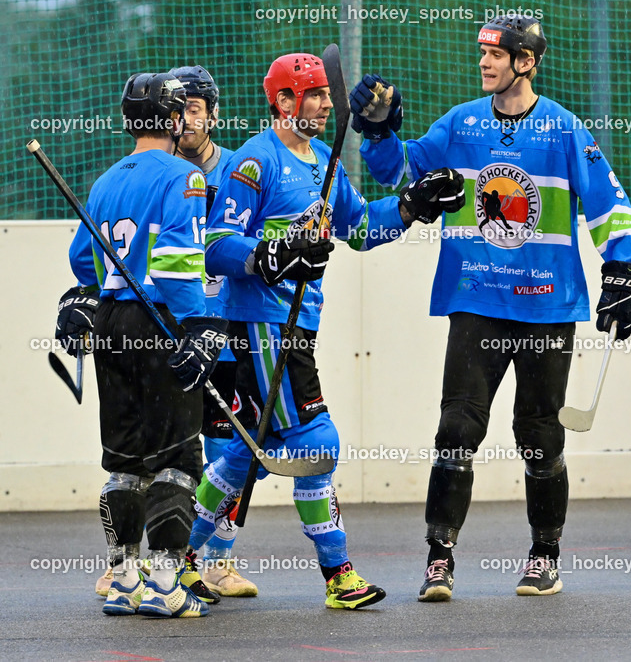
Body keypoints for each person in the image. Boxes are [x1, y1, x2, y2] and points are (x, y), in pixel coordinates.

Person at [350, 14, 631, 601]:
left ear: (526, 61)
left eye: (497, 53)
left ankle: (545, 554)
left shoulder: (564, 128)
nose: (484, 62)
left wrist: (627, 272)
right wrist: (379, 130)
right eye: (482, 52)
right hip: (476, 299)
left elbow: (610, 206)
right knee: (456, 428)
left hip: (546, 307)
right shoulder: (460, 123)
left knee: (539, 438)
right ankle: (439, 559)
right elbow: (400, 171)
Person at [186, 51, 465, 610]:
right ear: (283, 102)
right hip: (265, 325)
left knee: (248, 451)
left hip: (298, 325)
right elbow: (215, 248)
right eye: (312, 93)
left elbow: (361, 229)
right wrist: (274, 253)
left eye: (324, 93)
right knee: (318, 443)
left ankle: (185, 560)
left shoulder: (323, 163)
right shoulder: (254, 163)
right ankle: (339, 574)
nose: (325, 103)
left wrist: (413, 205)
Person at [59, 72, 227, 618]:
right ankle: (165, 583)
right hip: (159, 318)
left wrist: (88, 298)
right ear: (173, 119)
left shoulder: (106, 180)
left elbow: (84, 260)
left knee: (125, 461)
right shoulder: (184, 176)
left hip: (111, 320)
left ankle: (125, 579)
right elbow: (178, 260)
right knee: (178, 457)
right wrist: (198, 323)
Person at [165, 63, 261, 601]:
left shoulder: (240, 169)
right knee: (173, 450)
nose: (184, 121)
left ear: (213, 114)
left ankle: (218, 559)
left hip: (230, 326)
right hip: (177, 330)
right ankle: (155, 560)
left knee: (235, 447)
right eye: (176, 111)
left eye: (194, 110)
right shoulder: (159, 171)